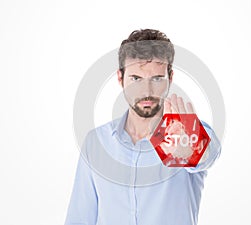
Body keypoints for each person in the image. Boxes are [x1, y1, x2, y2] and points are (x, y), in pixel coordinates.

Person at [65, 29, 221, 225]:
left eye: (156, 78)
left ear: (170, 78)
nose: (146, 91)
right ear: (120, 78)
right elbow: (80, 218)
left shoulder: (186, 133)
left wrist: (190, 150)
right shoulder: (96, 142)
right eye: (136, 79)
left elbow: (209, 153)